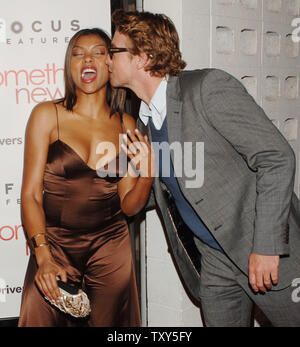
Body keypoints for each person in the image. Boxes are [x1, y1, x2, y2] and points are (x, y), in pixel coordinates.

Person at [107, 9, 300, 327]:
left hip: (266, 251)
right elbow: (173, 186)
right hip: (213, 260)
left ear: (143, 57)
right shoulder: (145, 124)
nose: (107, 60)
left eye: (114, 51)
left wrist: (266, 246)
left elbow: (276, 157)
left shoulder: (207, 88)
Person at [18, 27, 154, 327]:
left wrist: (146, 177)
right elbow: (30, 195)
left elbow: (130, 207)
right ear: (69, 66)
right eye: (78, 54)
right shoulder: (46, 115)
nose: (86, 60)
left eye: (97, 52)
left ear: (110, 63)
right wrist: (43, 256)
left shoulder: (126, 122)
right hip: (54, 245)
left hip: (110, 249)